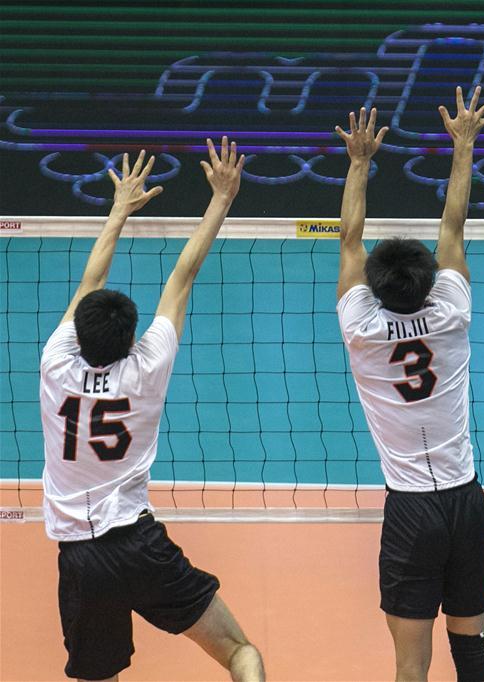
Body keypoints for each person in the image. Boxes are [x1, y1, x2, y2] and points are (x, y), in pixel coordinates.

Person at [39, 141, 265, 682]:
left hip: (80, 559)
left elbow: (88, 285)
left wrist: (117, 209)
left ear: (78, 334)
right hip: (140, 549)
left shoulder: (54, 364)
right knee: (240, 653)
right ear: (131, 338)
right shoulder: (147, 369)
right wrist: (221, 199)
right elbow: (181, 278)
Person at [335, 89, 484, 682]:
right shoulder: (453, 312)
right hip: (465, 502)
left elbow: (350, 241)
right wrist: (464, 144)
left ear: (377, 289)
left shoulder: (361, 328)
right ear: (430, 282)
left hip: (409, 513)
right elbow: (452, 224)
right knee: (472, 656)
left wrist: (359, 160)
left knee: (411, 668)